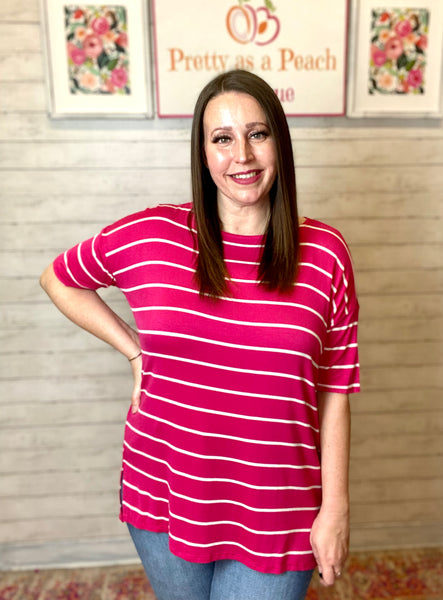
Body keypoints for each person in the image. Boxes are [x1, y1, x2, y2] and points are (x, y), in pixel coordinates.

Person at [40, 69, 359, 600]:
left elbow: (335, 390)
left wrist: (336, 508)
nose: (243, 155)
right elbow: (59, 278)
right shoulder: (153, 236)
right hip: (164, 491)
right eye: (222, 139)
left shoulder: (326, 253)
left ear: (279, 142)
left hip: (278, 506)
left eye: (257, 134)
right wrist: (134, 351)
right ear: (203, 153)